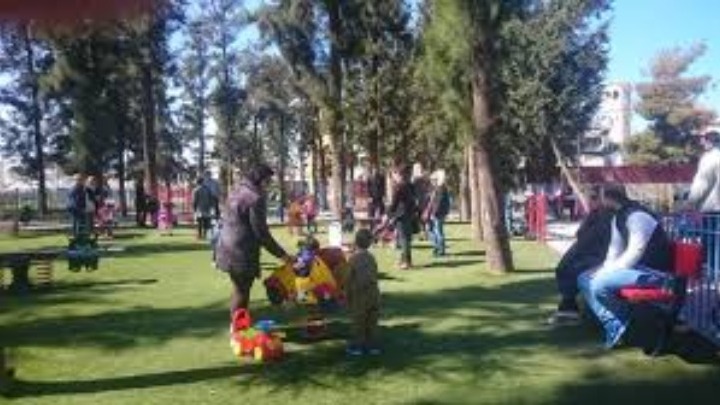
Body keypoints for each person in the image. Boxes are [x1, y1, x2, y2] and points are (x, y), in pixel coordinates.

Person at [577, 185, 672, 349]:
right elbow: (614, 251)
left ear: (608, 198)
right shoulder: (619, 217)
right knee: (584, 278)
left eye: (600, 197)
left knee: (599, 284)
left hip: (656, 274)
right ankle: (617, 323)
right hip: (637, 270)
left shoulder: (637, 216)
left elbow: (635, 252)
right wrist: (602, 269)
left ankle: (616, 326)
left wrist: (605, 273)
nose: (598, 201)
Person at [215, 163, 293, 317]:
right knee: (242, 290)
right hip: (240, 251)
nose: (269, 185)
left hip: (225, 246)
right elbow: (261, 233)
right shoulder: (255, 198)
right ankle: (238, 327)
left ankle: (238, 323)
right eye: (268, 180)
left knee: (239, 287)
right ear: (261, 179)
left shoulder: (236, 190)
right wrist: (283, 255)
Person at [547, 188, 614, 325]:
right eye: (589, 197)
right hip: (588, 253)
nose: (590, 201)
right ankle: (568, 306)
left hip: (601, 256)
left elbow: (593, 239)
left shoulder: (607, 216)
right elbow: (581, 235)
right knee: (564, 266)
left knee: (574, 269)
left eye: (594, 197)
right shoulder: (594, 215)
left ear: (603, 199)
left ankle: (569, 309)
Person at [345, 228, 381, 356]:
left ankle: (357, 347)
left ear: (355, 242)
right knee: (372, 321)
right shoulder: (371, 258)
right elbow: (374, 275)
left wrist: (347, 295)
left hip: (359, 294)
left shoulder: (353, 259)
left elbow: (348, 279)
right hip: (373, 293)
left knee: (358, 321)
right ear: (370, 243)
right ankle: (372, 346)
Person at [387, 164, 418, 269]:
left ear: (400, 174)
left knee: (404, 239)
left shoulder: (400, 186)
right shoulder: (410, 185)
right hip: (409, 214)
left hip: (401, 215)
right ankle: (405, 260)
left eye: (395, 174)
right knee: (407, 239)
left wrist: (389, 213)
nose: (394, 176)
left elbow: (394, 203)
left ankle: (406, 262)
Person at [687, 131, 720, 212]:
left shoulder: (710, 158)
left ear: (710, 142)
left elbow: (702, 182)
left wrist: (691, 202)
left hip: (710, 207)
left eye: (703, 140)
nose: (701, 143)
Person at [425, 171, 451, 257]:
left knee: (438, 231)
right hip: (435, 213)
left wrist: (434, 213)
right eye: (432, 180)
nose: (432, 181)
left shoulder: (441, 189)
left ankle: (440, 250)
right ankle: (437, 247)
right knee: (432, 231)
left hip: (438, 213)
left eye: (434, 180)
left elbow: (438, 203)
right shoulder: (437, 189)